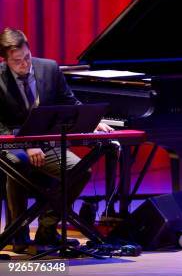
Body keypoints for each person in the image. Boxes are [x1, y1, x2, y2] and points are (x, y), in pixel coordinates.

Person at [0, 27, 113, 252]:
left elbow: (69, 101)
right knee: (17, 165)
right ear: (5, 60)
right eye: (17, 61)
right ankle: (18, 233)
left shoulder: (49, 68)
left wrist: (92, 121)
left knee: (81, 170)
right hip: (12, 143)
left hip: (48, 143)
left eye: (27, 57)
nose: (24, 64)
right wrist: (26, 144)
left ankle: (47, 229)